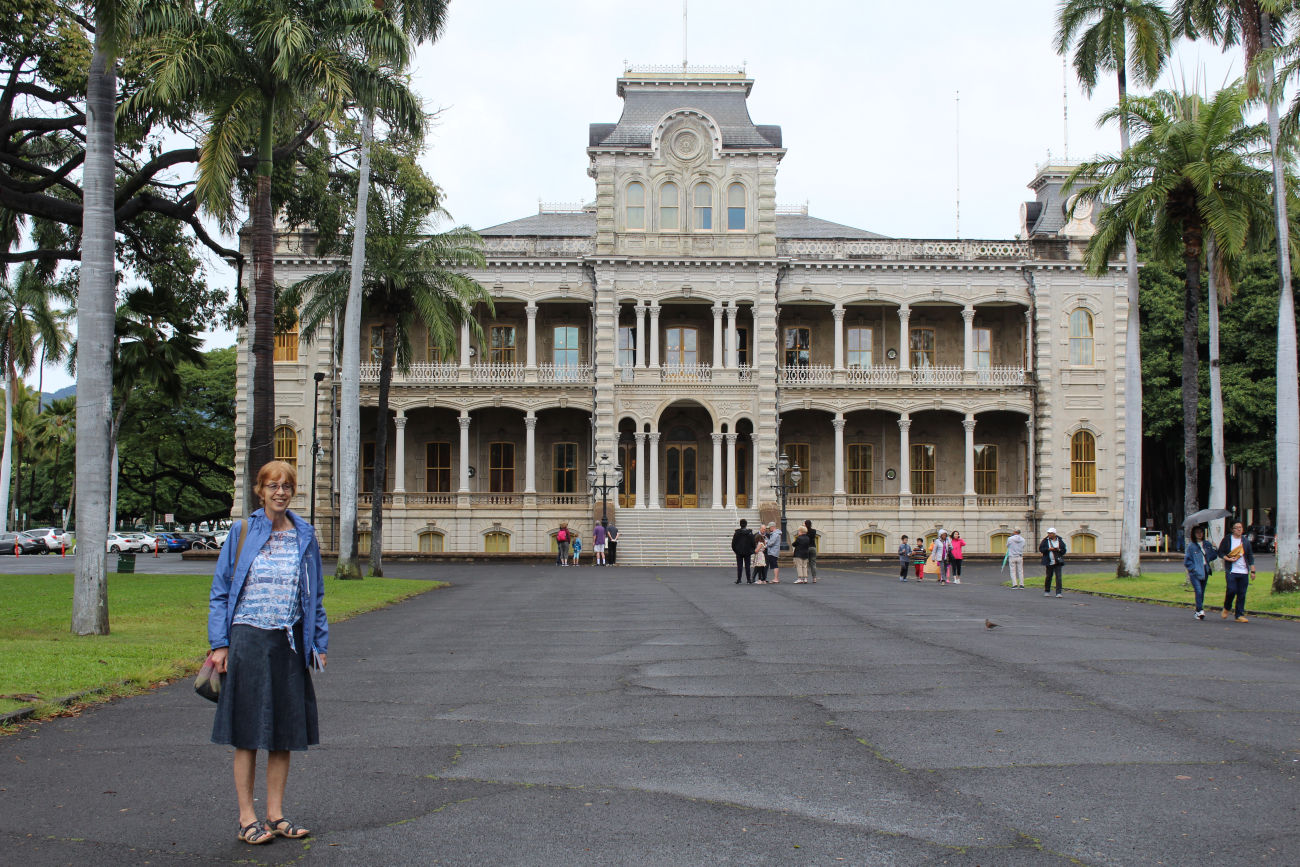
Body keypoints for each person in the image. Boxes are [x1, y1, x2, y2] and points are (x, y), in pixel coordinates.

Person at [208, 461, 327, 846]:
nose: (280, 492)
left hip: (288, 641)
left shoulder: (304, 535)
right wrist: (220, 643)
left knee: (284, 731)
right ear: (260, 490)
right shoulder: (243, 531)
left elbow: (315, 596)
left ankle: (275, 815)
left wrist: (318, 644)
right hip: (247, 638)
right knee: (246, 732)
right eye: (273, 486)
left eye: (287, 486)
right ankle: (247, 818)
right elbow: (221, 591)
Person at [1217, 521, 1255, 622]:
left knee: (1242, 593)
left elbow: (1250, 555)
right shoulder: (1228, 540)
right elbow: (1220, 552)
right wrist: (1228, 559)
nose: (1239, 529)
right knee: (1231, 590)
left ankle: (1239, 615)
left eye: (1240, 527)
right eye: (1236, 528)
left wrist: (1252, 571)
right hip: (1232, 570)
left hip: (1243, 571)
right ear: (1232, 529)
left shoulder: (1245, 541)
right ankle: (1227, 607)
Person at [1183, 525, 1218, 620]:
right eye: (1197, 532)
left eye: (1201, 532)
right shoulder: (1191, 546)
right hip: (1195, 572)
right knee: (1198, 590)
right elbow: (1187, 561)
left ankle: (1198, 610)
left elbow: (1212, 556)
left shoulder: (1207, 544)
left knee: (1201, 591)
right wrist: (1193, 569)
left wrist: (1214, 548)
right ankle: (1200, 610)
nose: (1199, 534)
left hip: (1205, 570)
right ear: (1194, 534)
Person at [1040, 527, 1067, 597]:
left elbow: (1064, 550)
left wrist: (1059, 550)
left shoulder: (1059, 540)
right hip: (1049, 561)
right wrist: (1048, 549)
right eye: (1048, 533)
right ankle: (1047, 591)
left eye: (1051, 533)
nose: (1049, 535)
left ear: (1054, 534)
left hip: (1058, 561)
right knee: (1048, 576)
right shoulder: (1045, 541)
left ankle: (1058, 592)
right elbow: (1041, 549)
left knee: (1058, 577)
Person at [731, 518, 754, 584]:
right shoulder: (750, 533)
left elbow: (733, 543)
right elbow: (753, 543)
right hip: (747, 552)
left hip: (739, 552)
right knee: (747, 566)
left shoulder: (737, 533)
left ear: (740, 525)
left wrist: (736, 551)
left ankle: (739, 579)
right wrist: (751, 551)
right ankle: (748, 579)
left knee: (739, 566)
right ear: (746, 525)